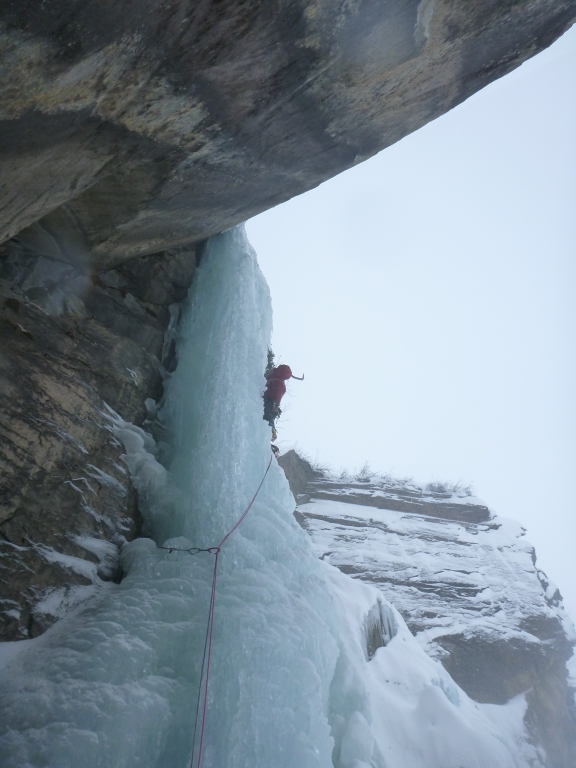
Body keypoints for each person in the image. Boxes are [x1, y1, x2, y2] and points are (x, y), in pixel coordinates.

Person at [263, 364, 304, 440]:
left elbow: (275, 393)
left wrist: (275, 404)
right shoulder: (277, 380)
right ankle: (270, 431)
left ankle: (271, 431)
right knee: (267, 416)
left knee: (267, 416)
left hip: (267, 401)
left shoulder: (275, 379)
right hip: (270, 402)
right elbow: (276, 394)